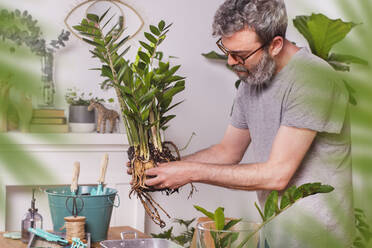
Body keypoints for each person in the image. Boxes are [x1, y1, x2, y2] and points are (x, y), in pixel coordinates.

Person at [129, 0, 354, 246]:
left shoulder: (313, 80)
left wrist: (189, 173)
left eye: (240, 55)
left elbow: (277, 175)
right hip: (273, 230)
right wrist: (164, 169)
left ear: (275, 45)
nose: (230, 62)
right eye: (227, 51)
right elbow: (227, 152)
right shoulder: (252, 81)